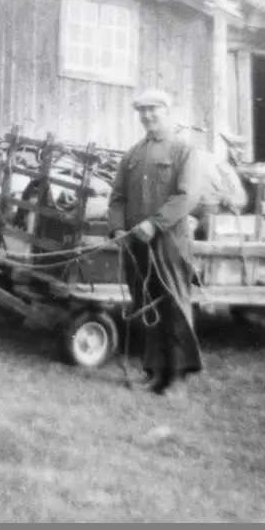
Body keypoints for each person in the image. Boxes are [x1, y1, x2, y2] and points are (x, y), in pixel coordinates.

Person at [108, 88, 205, 397]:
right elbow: (118, 198)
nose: (148, 116)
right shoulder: (132, 155)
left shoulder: (183, 151)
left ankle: (176, 379)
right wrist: (117, 229)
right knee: (146, 306)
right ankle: (154, 372)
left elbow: (188, 196)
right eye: (143, 111)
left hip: (170, 244)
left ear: (167, 111)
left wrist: (155, 223)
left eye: (154, 110)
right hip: (137, 245)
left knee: (174, 308)